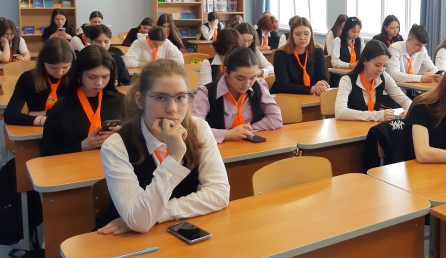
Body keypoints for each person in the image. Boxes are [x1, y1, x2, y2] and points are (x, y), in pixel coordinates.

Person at [96, 59, 230, 234]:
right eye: (160, 98)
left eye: (180, 97)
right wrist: (175, 157)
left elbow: (219, 193)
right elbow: (140, 222)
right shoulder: (116, 145)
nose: (172, 109)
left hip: (181, 229)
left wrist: (158, 214)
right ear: (140, 100)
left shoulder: (199, 129)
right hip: (126, 240)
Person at [40, 45, 125, 156]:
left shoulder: (121, 102)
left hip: (113, 163)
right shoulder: (62, 107)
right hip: (74, 165)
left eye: (105, 77)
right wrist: (81, 146)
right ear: (79, 73)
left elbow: (139, 143)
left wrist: (124, 135)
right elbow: (46, 153)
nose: (99, 83)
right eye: (92, 77)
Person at [192, 47, 283, 142]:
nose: (247, 84)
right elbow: (194, 129)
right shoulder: (206, 92)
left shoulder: (259, 86)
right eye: (240, 78)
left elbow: (276, 118)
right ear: (226, 71)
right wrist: (227, 134)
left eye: (252, 78)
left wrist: (247, 129)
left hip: (250, 146)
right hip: (219, 148)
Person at [335, 40, 411, 122]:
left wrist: (409, 110)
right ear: (364, 61)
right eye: (377, 65)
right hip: (350, 127)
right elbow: (340, 112)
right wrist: (377, 115)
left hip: (373, 127)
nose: (381, 70)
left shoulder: (384, 77)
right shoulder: (347, 80)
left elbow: (404, 100)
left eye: (385, 66)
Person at [4, 38, 74, 127]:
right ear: (43, 62)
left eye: (65, 67)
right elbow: (10, 115)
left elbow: (76, 111)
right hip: (38, 129)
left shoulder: (75, 77)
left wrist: (41, 113)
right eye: (53, 68)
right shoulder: (28, 78)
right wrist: (43, 120)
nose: (60, 72)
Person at [272, 16, 329, 95]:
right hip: (285, 96)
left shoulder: (317, 51)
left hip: (309, 97)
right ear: (292, 35)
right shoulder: (281, 54)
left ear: (311, 34)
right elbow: (283, 85)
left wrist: (322, 84)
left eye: (306, 34)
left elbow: (322, 77)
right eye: (298, 34)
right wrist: (311, 89)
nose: (302, 37)